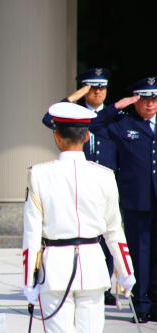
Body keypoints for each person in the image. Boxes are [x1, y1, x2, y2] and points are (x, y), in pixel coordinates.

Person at [23, 102, 136, 332]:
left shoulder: (39, 175)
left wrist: (28, 280)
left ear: (56, 136)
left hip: (54, 269)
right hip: (93, 266)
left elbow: (32, 233)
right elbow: (114, 230)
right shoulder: (105, 176)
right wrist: (126, 272)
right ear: (86, 137)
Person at [42, 68, 118, 305]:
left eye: (101, 88)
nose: (97, 92)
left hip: (103, 180)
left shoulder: (116, 114)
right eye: (92, 88)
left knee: (106, 232)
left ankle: (103, 284)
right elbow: (48, 119)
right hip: (76, 179)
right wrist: (75, 97)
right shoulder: (73, 115)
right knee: (78, 230)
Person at [89, 76, 157, 323]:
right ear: (136, 101)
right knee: (140, 253)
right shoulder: (124, 123)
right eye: (144, 99)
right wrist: (117, 106)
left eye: (154, 99)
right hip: (137, 200)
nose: (150, 105)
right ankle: (142, 305)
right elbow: (93, 125)